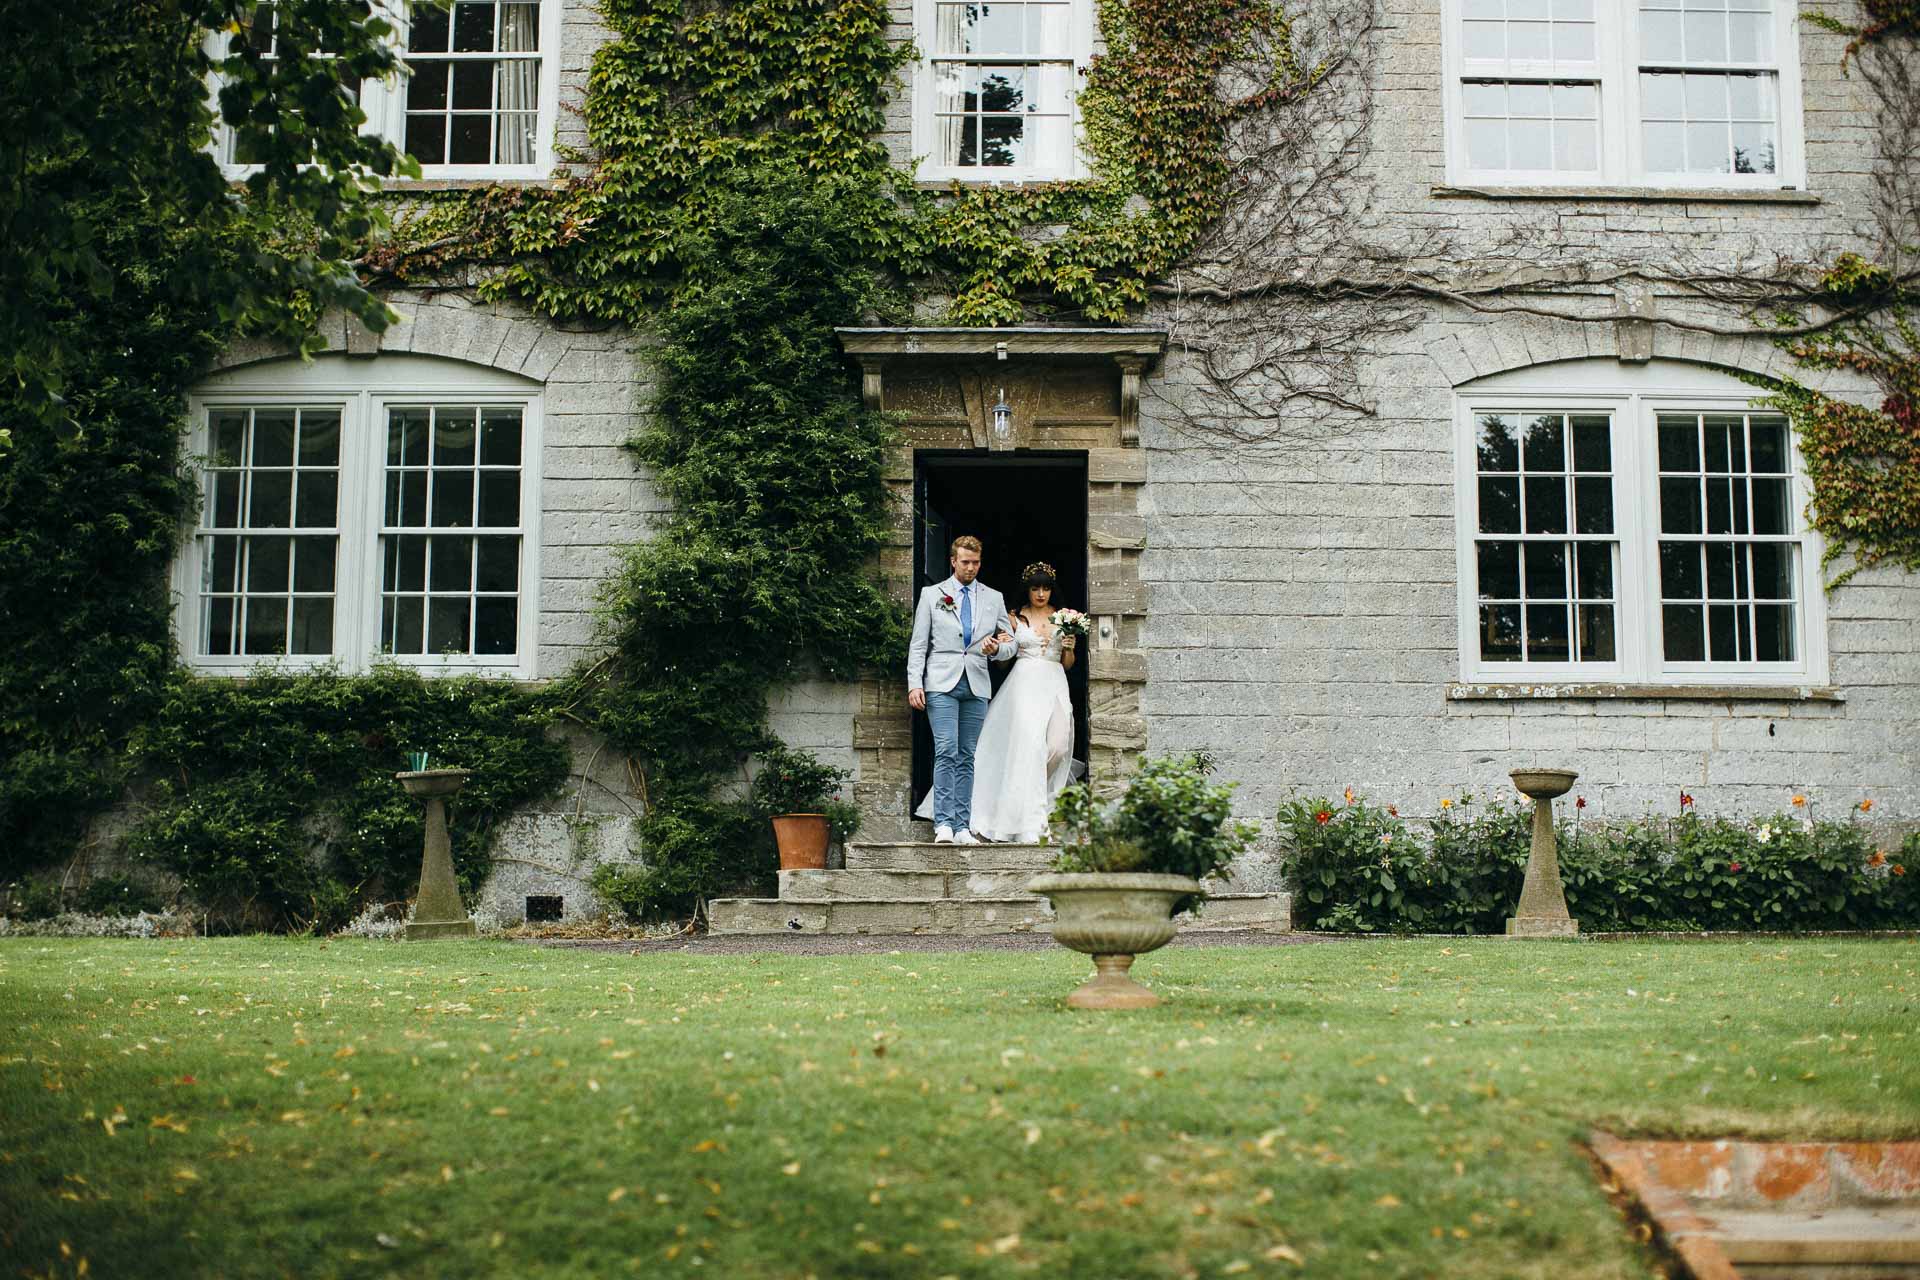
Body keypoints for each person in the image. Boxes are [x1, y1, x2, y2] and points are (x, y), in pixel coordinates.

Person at [906, 535, 1013, 844]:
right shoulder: (932, 595)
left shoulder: (994, 598)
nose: (971, 568)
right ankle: (943, 823)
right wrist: (915, 683)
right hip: (941, 683)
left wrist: (995, 650)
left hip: (977, 684)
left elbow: (1011, 643)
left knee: (967, 755)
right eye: (965, 562)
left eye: (976, 562)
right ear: (953, 561)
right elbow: (918, 646)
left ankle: (962, 826)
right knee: (946, 750)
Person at [966, 561, 1081, 844]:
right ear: (1027, 590)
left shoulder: (1064, 617)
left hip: (1054, 681)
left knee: (1058, 745)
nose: (1041, 594)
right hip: (1023, 684)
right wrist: (1000, 647)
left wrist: (1069, 648)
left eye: (1046, 588)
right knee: (1028, 747)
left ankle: (1024, 796)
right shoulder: (1015, 617)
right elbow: (1004, 661)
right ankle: (1026, 814)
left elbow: (1068, 665)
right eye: (1035, 588)